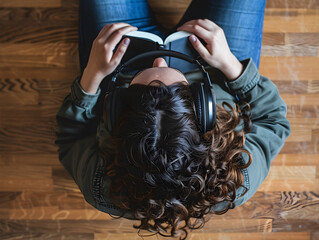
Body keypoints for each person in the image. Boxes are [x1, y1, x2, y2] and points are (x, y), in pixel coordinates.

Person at [55, 0, 291, 239]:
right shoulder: (236, 177)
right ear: (204, 109)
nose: (160, 61)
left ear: (118, 111)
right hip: (216, 66)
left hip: (121, 65)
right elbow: (274, 120)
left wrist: (92, 78)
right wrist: (231, 66)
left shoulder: (102, 187)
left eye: (140, 85)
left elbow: (70, 138)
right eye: (179, 86)